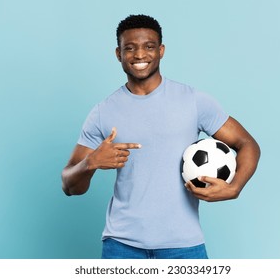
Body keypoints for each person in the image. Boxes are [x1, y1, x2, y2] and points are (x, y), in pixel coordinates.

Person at [61, 14, 260, 259]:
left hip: (184, 245)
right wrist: (90, 163)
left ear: (161, 50)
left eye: (149, 47)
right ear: (118, 53)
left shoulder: (193, 101)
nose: (140, 55)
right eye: (130, 48)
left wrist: (235, 187)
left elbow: (247, 143)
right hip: (121, 246)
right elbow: (69, 185)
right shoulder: (103, 112)